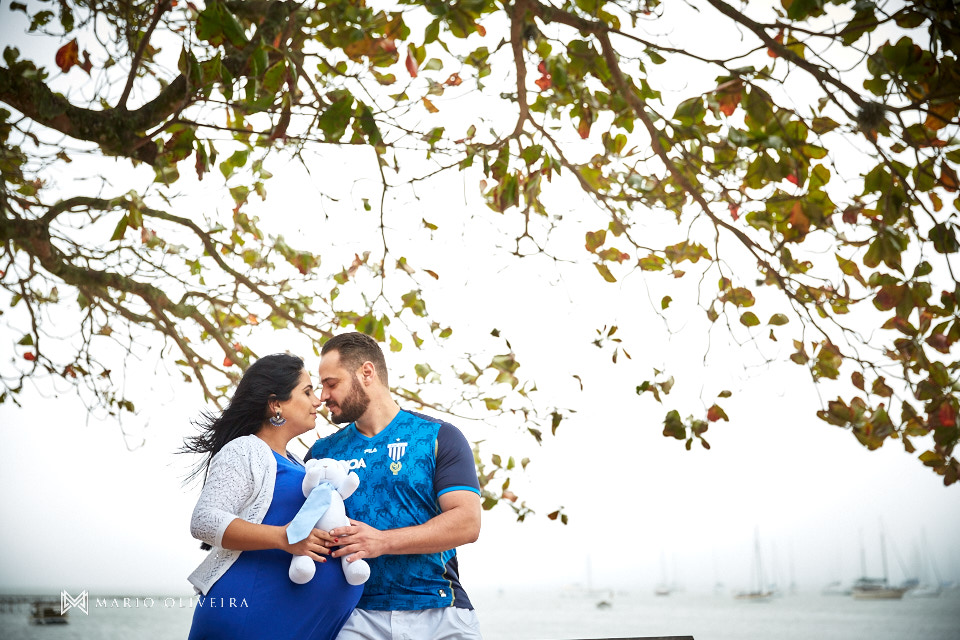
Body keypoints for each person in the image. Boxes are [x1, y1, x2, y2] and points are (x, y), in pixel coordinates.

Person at [306, 332, 483, 640]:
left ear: (367, 372)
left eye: (331, 383)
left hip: (441, 612)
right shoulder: (321, 455)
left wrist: (382, 541)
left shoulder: (438, 436)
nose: (323, 396)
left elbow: (467, 523)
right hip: (354, 617)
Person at [183, 353, 363, 640]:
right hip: (249, 616)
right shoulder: (245, 450)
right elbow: (204, 520)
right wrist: (284, 537)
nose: (317, 400)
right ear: (276, 404)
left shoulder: (300, 464)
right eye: (307, 392)